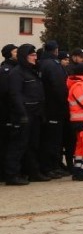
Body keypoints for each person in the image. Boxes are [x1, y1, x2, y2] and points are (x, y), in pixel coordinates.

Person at [5, 44, 50, 185]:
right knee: (18, 146)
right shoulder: (16, 73)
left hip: (35, 114)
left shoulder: (32, 71)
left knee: (33, 145)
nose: (35, 57)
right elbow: (15, 95)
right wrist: (22, 114)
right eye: (32, 55)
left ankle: (33, 172)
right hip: (23, 115)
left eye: (35, 54)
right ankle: (12, 175)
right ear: (24, 56)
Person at [38, 40, 69, 178]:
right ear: (56, 50)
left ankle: (53, 165)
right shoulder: (53, 65)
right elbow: (58, 87)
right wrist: (65, 101)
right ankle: (50, 167)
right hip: (55, 107)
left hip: (45, 106)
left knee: (50, 139)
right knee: (53, 140)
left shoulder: (41, 63)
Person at [0, 44, 18, 181]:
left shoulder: (15, 68)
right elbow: (7, 94)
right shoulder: (6, 70)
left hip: (12, 112)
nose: (17, 53)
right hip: (7, 113)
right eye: (15, 51)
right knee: (7, 144)